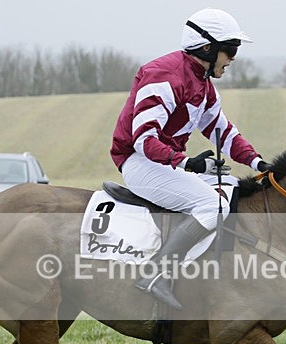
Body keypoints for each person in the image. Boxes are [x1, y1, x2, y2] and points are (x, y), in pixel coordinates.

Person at [110, 8, 270, 310]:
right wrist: (187, 163)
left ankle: (214, 273)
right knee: (213, 203)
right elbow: (144, 140)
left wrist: (258, 163)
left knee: (233, 186)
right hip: (137, 161)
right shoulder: (165, 75)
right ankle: (156, 273)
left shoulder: (204, 86)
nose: (233, 57)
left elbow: (222, 131)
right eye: (230, 49)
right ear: (207, 48)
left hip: (161, 161)